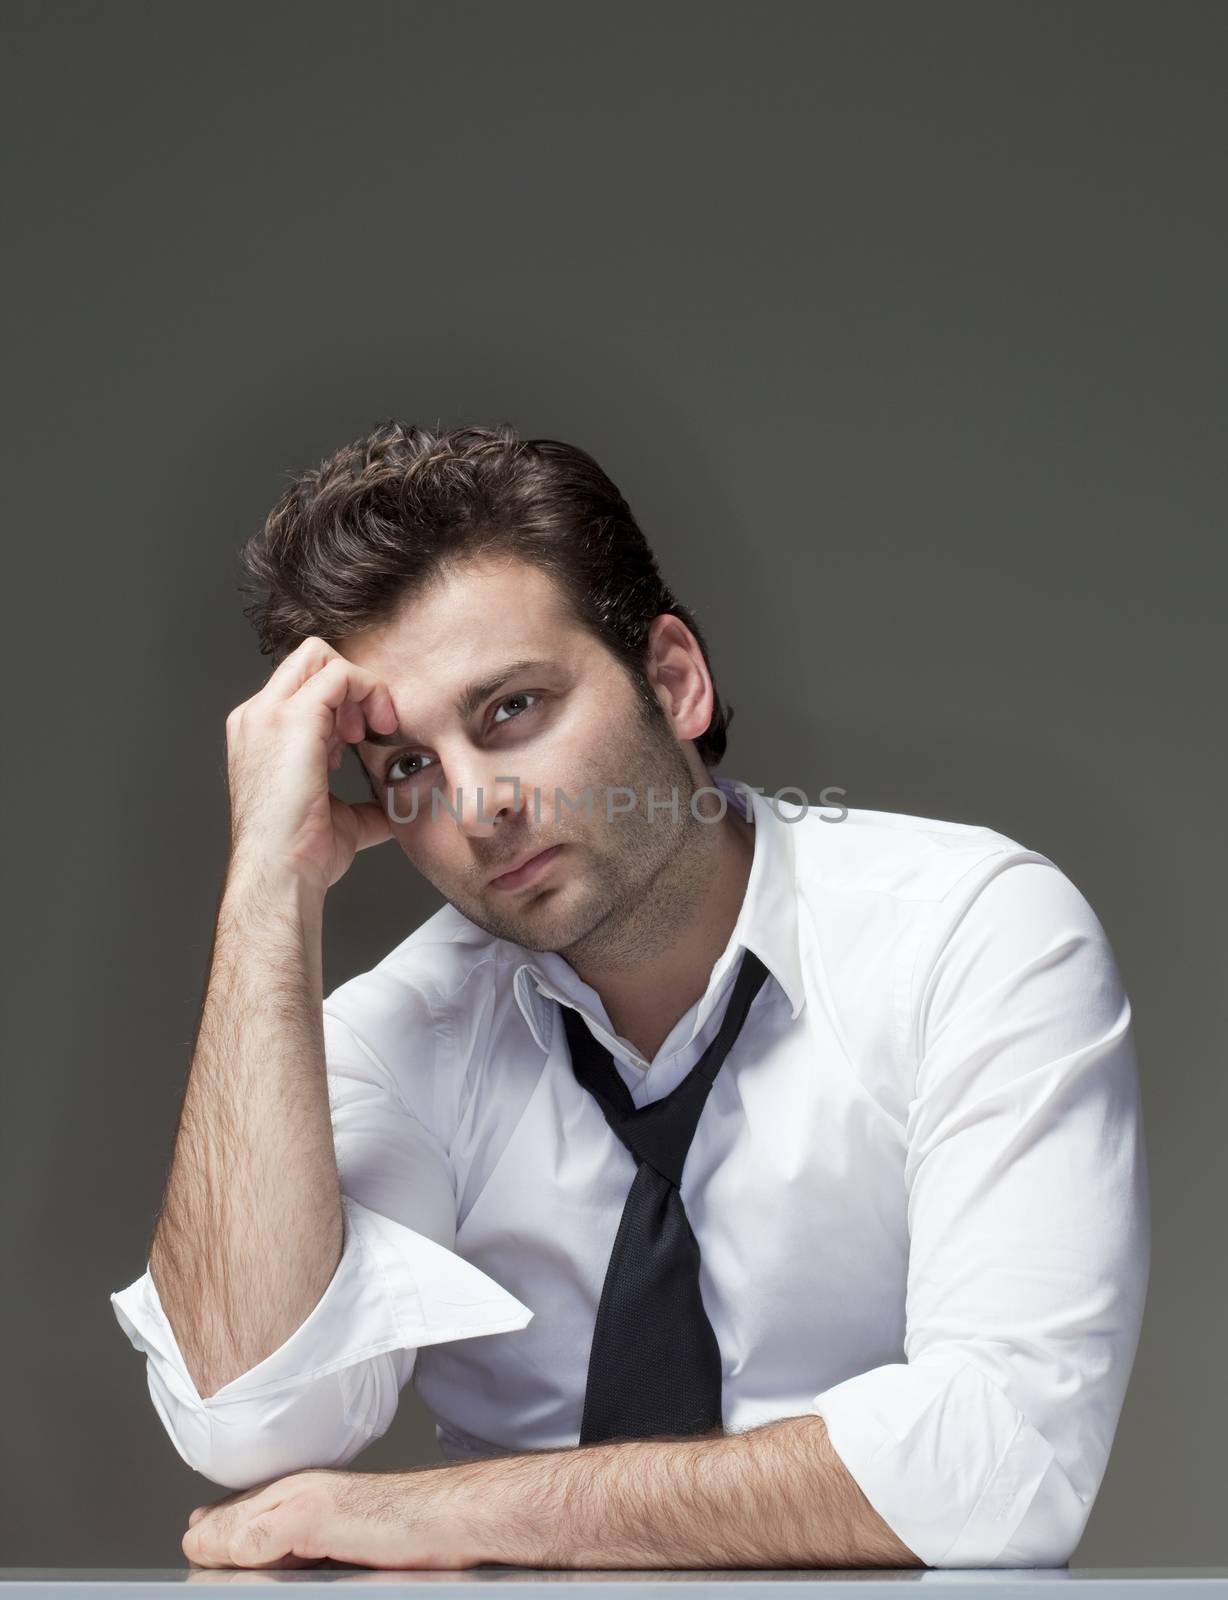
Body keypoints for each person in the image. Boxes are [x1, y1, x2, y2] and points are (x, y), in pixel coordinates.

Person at [110, 422, 1150, 1573]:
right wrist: (265, 878)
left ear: (675, 678)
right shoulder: (396, 1037)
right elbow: (252, 1411)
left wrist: (445, 1514)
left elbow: (1006, 1461)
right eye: (407, 764)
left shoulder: (967, 931)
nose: (474, 805)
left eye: (511, 708)